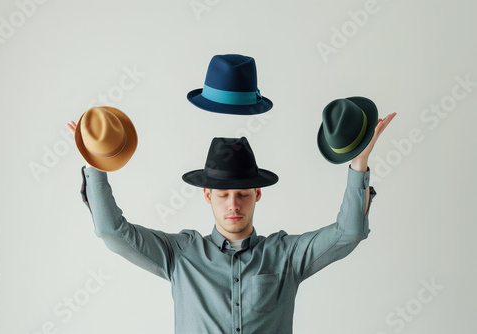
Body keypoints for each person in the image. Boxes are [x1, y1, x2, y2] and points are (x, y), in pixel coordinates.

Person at [66, 108, 396, 334]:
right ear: (208, 195)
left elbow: (349, 232)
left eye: (242, 194)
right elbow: (111, 231)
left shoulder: (285, 255)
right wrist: (94, 165)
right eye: (223, 195)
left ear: (257, 194)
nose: (233, 204)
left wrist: (359, 165)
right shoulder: (180, 254)